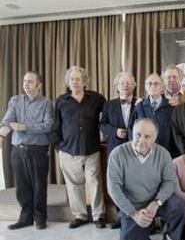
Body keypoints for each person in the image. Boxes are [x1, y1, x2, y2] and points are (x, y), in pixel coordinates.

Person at [107, 118, 185, 240]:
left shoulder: (163, 154)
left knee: (179, 205)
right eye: (138, 134)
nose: (141, 140)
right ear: (132, 133)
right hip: (133, 206)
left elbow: (169, 182)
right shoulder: (117, 154)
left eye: (147, 136)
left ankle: (170, 239)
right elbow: (114, 189)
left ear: (155, 138)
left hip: (155, 201)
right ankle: (142, 231)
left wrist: (156, 203)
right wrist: (134, 214)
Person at [52, 65, 106, 229]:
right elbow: (56, 125)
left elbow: (112, 111)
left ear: (84, 82)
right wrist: (59, 147)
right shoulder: (61, 101)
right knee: (74, 185)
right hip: (68, 150)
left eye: (78, 79)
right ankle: (80, 215)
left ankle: (98, 216)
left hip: (91, 149)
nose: (75, 82)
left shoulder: (96, 98)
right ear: (68, 83)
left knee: (95, 183)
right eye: (72, 79)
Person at [0, 71, 54, 230]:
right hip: (18, 150)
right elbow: (7, 121)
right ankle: (26, 218)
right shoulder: (15, 101)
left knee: (39, 186)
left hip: (38, 150)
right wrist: (1, 136)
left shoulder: (46, 103)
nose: (26, 84)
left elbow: (48, 125)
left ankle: (40, 219)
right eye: (24, 81)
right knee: (22, 187)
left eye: (30, 81)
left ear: (39, 85)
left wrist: (24, 127)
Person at [100, 72, 138, 229]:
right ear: (117, 86)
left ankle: (137, 215)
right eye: (122, 83)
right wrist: (114, 131)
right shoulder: (109, 104)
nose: (125, 85)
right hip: (115, 149)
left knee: (135, 183)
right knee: (117, 183)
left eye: (128, 83)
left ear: (133, 85)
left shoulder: (141, 102)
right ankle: (121, 217)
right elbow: (102, 124)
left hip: (136, 150)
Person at [129, 73, 175, 154]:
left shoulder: (171, 107)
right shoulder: (139, 107)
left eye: (156, 83)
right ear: (146, 87)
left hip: (165, 152)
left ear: (162, 87)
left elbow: (175, 132)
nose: (153, 86)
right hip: (143, 152)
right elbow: (131, 130)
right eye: (149, 83)